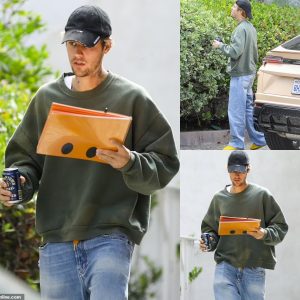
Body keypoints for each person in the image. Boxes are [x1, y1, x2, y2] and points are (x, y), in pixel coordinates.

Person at [0, 5, 179, 300]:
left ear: (107, 46)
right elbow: (26, 161)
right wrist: (20, 183)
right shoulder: (46, 99)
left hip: (111, 235)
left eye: (87, 45)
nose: (77, 53)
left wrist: (130, 161)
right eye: (71, 44)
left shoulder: (132, 99)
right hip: (56, 238)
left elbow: (166, 164)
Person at [201, 150, 288, 300]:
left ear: (248, 169)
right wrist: (208, 241)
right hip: (225, 266)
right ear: (227, 169)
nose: (236, 175)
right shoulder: (219, 198)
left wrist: (265, 233)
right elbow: (210, 229)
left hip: (254, 268)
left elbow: (280, 226)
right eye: (232, 170)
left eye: (240, 170)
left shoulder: (262, 195)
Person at [212, 0, 266, 150]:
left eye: (234, 6)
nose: (232, 8)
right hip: (249, 73)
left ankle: (236, 143)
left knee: (236, 109)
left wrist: (219, 45)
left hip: (240, 75)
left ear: (241, 11)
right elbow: (254, 53)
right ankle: (259, 140)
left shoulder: (240, 29)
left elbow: (235, 52)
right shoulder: (251, 28)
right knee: (248, 108)